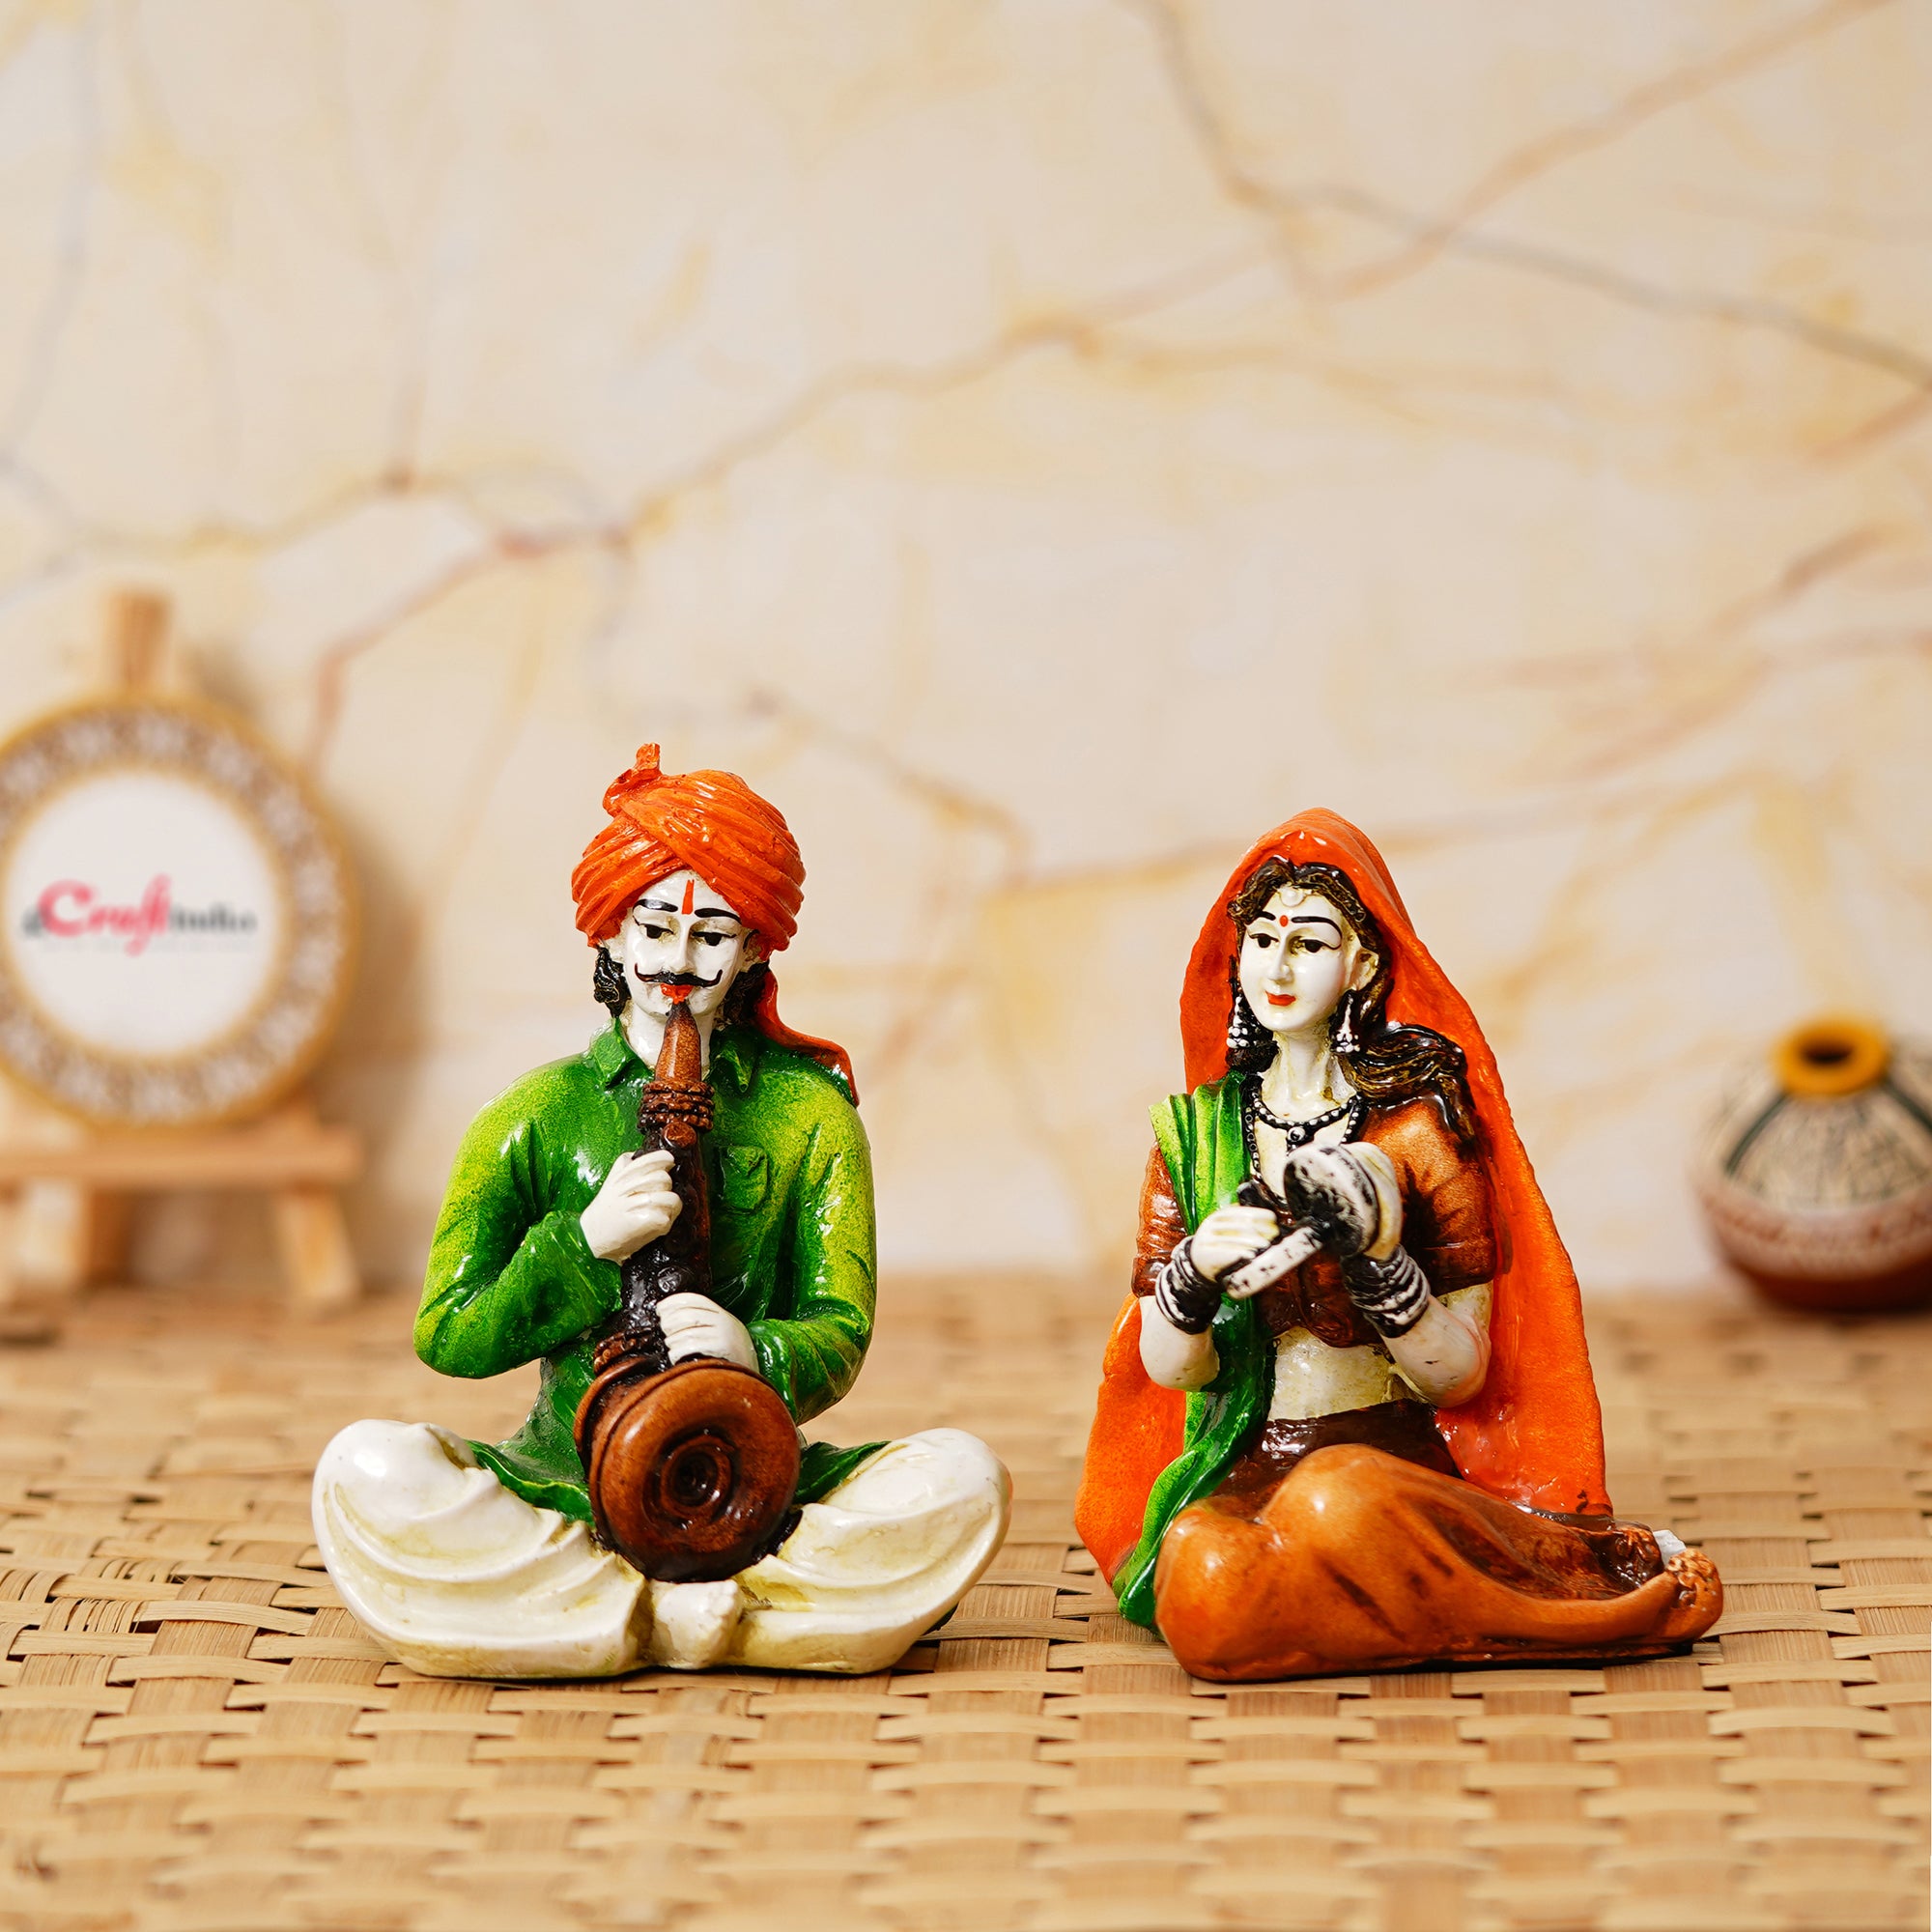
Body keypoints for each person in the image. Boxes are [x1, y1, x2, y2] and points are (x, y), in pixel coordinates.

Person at [313, 746, 1009, 1677]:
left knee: (963, 1477)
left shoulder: (810, 1116)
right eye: (654, 931)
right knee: (367, 1468)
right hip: (564, 1481)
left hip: (756, 1483)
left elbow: (840, 1328)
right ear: (608, 936)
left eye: (712, 935)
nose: (679, 962)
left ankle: (609, 1616)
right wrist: (583, 1246)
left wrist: (750, 1351)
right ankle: (724, 1614)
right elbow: (449, 1334)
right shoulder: (534, 1116)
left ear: (756, 948)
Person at [1076, 810, 1719, 1682]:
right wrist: (1195, 1274)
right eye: (1263, 940)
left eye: (1309, 943)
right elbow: (1172, 1369)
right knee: (1199, 1576)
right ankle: (1391, 1617)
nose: (1278, 963)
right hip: (1247, 1463)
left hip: (1386, 1469)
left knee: (1336, 1496)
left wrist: (1382, 1266)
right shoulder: (1195, 1136)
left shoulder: (1415, 1134)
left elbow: (1459, 1374)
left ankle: (1565, 1618)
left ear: (1362, 965)